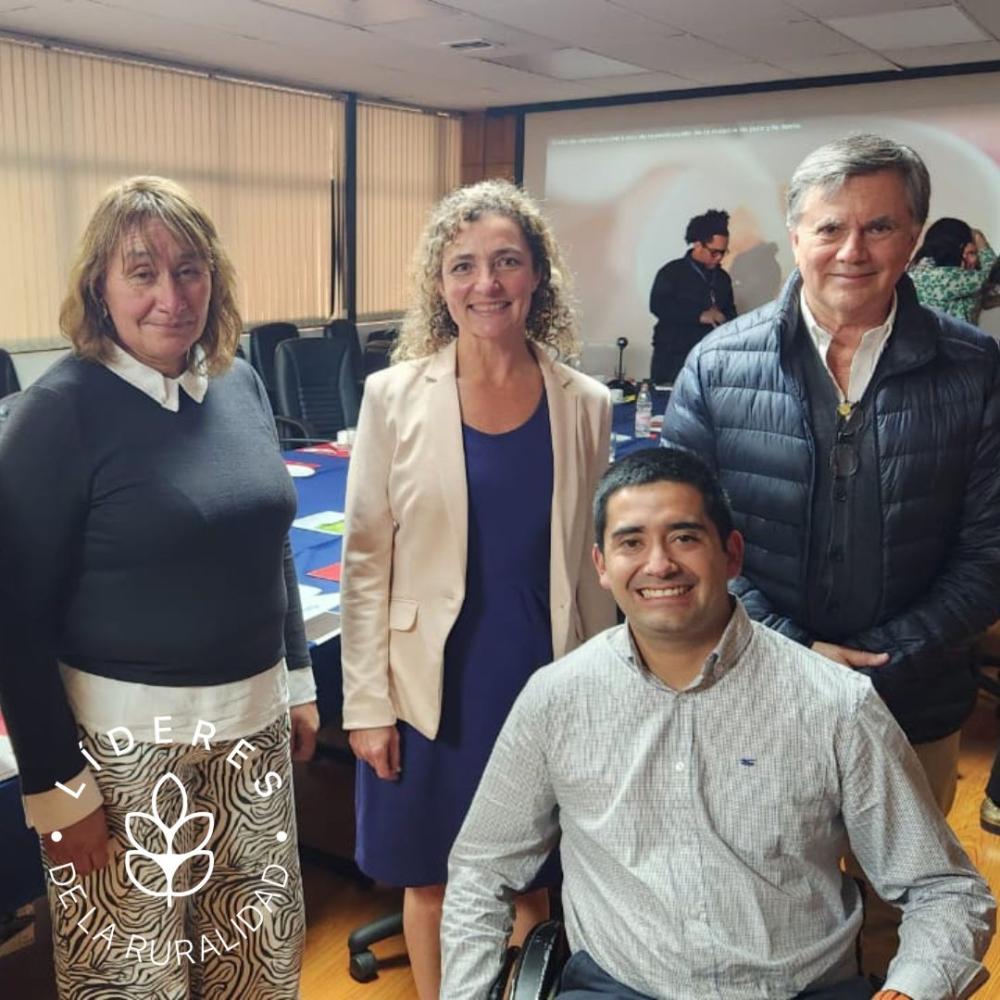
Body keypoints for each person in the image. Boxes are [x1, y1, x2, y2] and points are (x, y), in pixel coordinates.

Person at [441, 448, 995, 1000]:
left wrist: (912, 991)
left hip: (795, 991)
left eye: (685, 537)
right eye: (631, 542)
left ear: (731, 554)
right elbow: (482, 872)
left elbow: (944, 890)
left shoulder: (834, 703)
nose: (659, 564)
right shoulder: (556, 700)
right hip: (621, 988)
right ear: (601, 566)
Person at [663, 134, 1000, 977]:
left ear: (915, 237)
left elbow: (991, 548)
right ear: (795, 230)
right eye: (829, 228)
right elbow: (684, 545)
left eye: (880, 227)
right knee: (763, 904)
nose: (852, 251)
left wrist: (889, 657)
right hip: (754, 696)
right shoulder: (717, 365)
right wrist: (792, 652)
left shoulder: (977, 369)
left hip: (911, 699)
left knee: (904, 914)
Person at [0, 176, 319, 999]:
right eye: (142, 272)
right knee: (135, 982)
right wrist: (54, 789)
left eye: (190, 269)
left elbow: (267, 541)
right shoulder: (56, 414)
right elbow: (12, 616)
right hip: (122, 763)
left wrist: (298, 680)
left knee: (255, 970)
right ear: (99, 289)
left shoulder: (239, 383)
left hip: (252, 742)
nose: (171, 296)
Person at [340, 178, 614, 999]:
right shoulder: (393, 398)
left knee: (531, 881)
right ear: (439, 282)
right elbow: (365, 563)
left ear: (537, 276)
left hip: (542, 671)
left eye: (506, 262)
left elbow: (596, 566)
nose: (484, 283)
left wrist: (610, 693)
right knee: (431, 876)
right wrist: (366, 704)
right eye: (463, 266)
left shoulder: (586, 404)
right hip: (430, 684)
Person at [648, 208, 737, 385]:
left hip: (711, 359)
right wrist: (699, 315)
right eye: (714, 252)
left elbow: (731, 312)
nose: (719, 258)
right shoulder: (671, 272)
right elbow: (658, 306)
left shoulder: (722, 279)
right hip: (672, 358)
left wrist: (725, 318)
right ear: (697, 245)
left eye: (723, 252)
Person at [908, 217, 997, 324]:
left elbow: (985, 296)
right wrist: (979, 238)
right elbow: (994, 273)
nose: (976, 260)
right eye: (971, 253)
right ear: (957, 249)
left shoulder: (921, 272)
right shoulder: (944, 277)